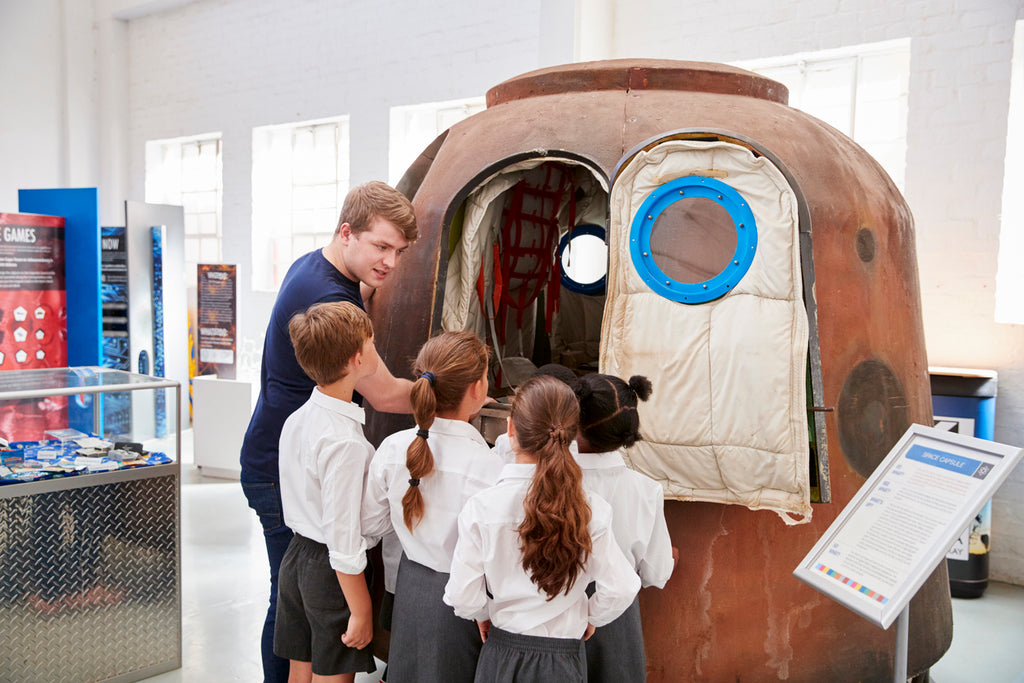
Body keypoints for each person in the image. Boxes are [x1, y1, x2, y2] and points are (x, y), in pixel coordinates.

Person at [240, 181, 418, 683]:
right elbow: (385, 395)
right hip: (286, 471)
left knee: (291, 602)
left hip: (278, 451)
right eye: (381, 246)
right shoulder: (333, 299)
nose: (390, 263)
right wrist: (447, 388)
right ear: (347, 233)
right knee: (301, 608)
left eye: (400, 252)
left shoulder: (313, 264)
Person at [443, 376, 640, 682]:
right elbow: (623, 587)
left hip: (501, 652)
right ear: (571, 434)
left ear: (511, 430)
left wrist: (484, 614)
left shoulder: (481, 508)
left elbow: (462, 595)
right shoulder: (592, 509)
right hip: (564, 659)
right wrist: (591, 617)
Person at [362, 330, 502, 682]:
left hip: (409, 590)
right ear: (477, 389)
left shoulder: (394, 449)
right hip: (468, 600)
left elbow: (370, 527)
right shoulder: (490, 467)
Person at [273, 301, 379, 682]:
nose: (374, 349)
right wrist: (361, 608)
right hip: (332, 572)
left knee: (299, 672)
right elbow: (342, 535)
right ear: (355, 360)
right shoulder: (344, 441)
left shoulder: (297, 419)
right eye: (371, 343)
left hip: (296, 557)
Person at [573, 373, 675, 682]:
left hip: (554, 607)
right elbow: (657, 572)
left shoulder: (549, 482)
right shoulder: (646, 490)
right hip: (619, 619)